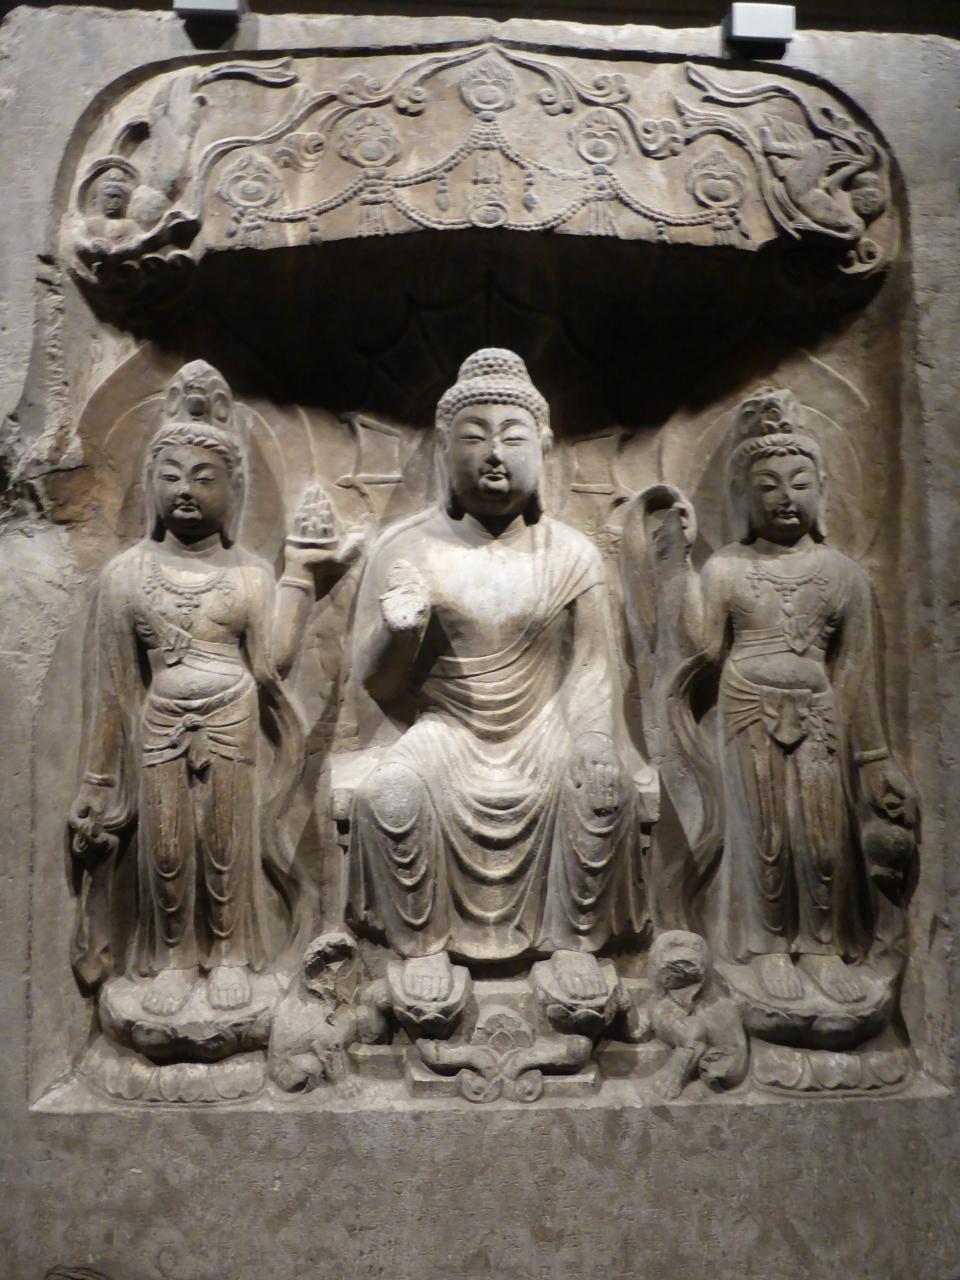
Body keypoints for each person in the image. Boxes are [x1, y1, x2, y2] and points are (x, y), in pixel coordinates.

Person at [346, 349, 645, 1007]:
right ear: (443, 452)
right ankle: (421, 946)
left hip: (544, 729)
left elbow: (593, 668)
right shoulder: (408, 549)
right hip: (448, 732)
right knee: (388, 798)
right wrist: (399, 633)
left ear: (543, 451)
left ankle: (573, 942)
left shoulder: (572, 554)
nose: (493, 455)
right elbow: (378, 687)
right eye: (473, 438)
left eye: (512, 438)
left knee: (603, 792)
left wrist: (595, 743)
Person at [69, 360, 356, 1017]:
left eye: (204, 478)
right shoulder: (126, 576)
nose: (186, 491)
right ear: (150, 486)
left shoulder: (250, 575)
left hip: (232, 722)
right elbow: (113, 690)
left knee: (226, 849)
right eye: (171, 476)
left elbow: (273, 661)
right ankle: (172, 958)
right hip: (160, 728)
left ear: (234, 490)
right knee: (167, 850)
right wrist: (96, 779)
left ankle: (229, 954)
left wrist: (300, 574)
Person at [639, 387, 916, 1005]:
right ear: (742, 497)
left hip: (820, 718)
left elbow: (857, 674)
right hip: (745, 712)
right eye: (767, 485)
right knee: (763, 839)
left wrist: (875, 760)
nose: (785, 497)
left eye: (799, 482)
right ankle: (765, 949)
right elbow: (703, 645)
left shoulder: (843, 575)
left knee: (821, 840)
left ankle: (823, 946)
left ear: (821, 490)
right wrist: (678, 564)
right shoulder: (727, 568)